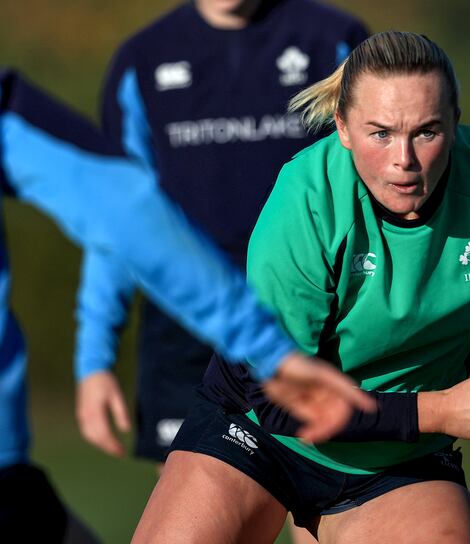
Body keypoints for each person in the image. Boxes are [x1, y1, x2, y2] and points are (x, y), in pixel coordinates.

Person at [132, 31, 470, 543]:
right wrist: (441, 411)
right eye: (380, 133)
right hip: (257, 435)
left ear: (455, 122)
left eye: (426, 132)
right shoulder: (305, 203)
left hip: (398, 460)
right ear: (342, 127)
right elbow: (280, 400)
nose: (403, 161)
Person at [0, 68, 374, 541]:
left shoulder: (329, 35)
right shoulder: (142, 61)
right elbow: (122, 212)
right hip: (202, 345)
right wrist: (266, 349)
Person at [74, 0, 368, 470]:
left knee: (319, 500)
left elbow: (377, 182)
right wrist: (94, 357)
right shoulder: (142, 61)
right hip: (184, 330)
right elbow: (118, 222)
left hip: (308, 317)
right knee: (194, 516)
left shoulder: (333, 40)